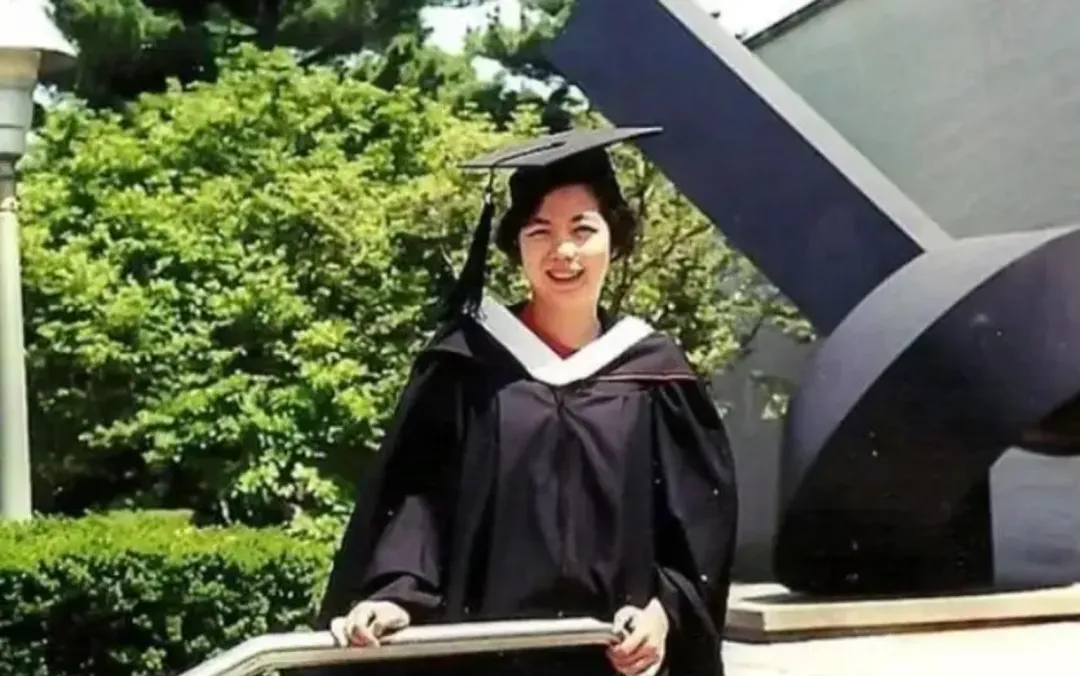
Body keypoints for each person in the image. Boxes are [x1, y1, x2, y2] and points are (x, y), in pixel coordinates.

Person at [306, 126, 738, 676]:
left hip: (612, 661)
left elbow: (696, 529)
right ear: (516, 246)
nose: (563, 251)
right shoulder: (467, 366)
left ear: (615, 238)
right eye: (540, 231)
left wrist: (664, 613)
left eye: (583, 229)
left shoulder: (655, 375)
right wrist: (395, 596)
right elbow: (420, 504)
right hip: (483, 661)